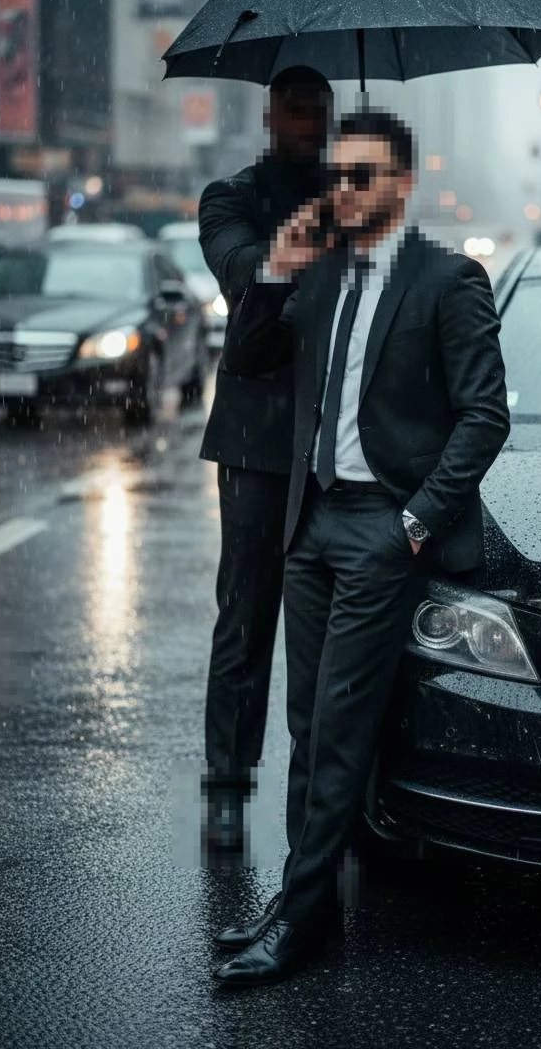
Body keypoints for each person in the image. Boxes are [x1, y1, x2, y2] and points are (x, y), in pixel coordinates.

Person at [212, 108, 510, 986]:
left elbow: (484, 415)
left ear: (403, 183)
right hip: (313, 523)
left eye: (363, 175)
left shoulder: (448, 279)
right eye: (335, 174)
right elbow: (249, 358)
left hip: (384, 527)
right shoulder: (320, 271)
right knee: (309, 726)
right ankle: (306, 907)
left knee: (340, 730)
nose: (342, 188)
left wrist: (413, 522)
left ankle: (298, 923)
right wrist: (274, 268)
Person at [197, 66, 333, 861]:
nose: (309, 122)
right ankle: (225, 788)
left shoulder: (354, 197)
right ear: (270, 114)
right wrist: (296, 248)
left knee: (327, 636)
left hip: (331, 438)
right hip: (255, 445)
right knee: (246, 623)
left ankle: (326, 795)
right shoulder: (232, 195)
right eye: (296, 110)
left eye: (320, 110)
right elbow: (238, 267)